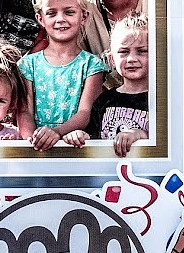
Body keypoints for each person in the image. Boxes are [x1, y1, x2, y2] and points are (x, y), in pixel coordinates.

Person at [17, 0, 107, 151]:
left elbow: (84, 113)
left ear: (84, 16)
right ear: (40, 19)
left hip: (74, 145)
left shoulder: (91, 65)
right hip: (36, 147)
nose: (60, 19)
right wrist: (33, 142)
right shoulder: (28, 64)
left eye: (69, 12)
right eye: (51, 13)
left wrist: (56, 133)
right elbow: (24, 112)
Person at [64, 14, 150, 157]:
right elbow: (93, 137)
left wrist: (140, 135)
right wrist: (80, 136)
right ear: (112, 59)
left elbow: (170, 141)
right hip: (110, 174)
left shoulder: (161, 101)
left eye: (142, 51)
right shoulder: (104, 100)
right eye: (124, 52)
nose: (132, 59)